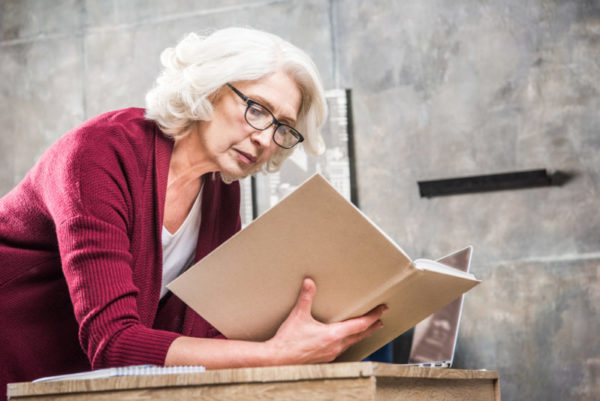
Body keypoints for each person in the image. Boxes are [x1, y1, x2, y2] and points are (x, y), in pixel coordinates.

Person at [0, 27, 385, 397]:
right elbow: (113, 342)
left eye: (283, 126)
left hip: (77, 384)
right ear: (208, 88)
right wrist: (275, 355)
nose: (266, 138)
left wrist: (302, 337)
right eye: (257, 109)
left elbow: (202, 330)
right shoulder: (99, 154)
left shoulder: (220, 192)